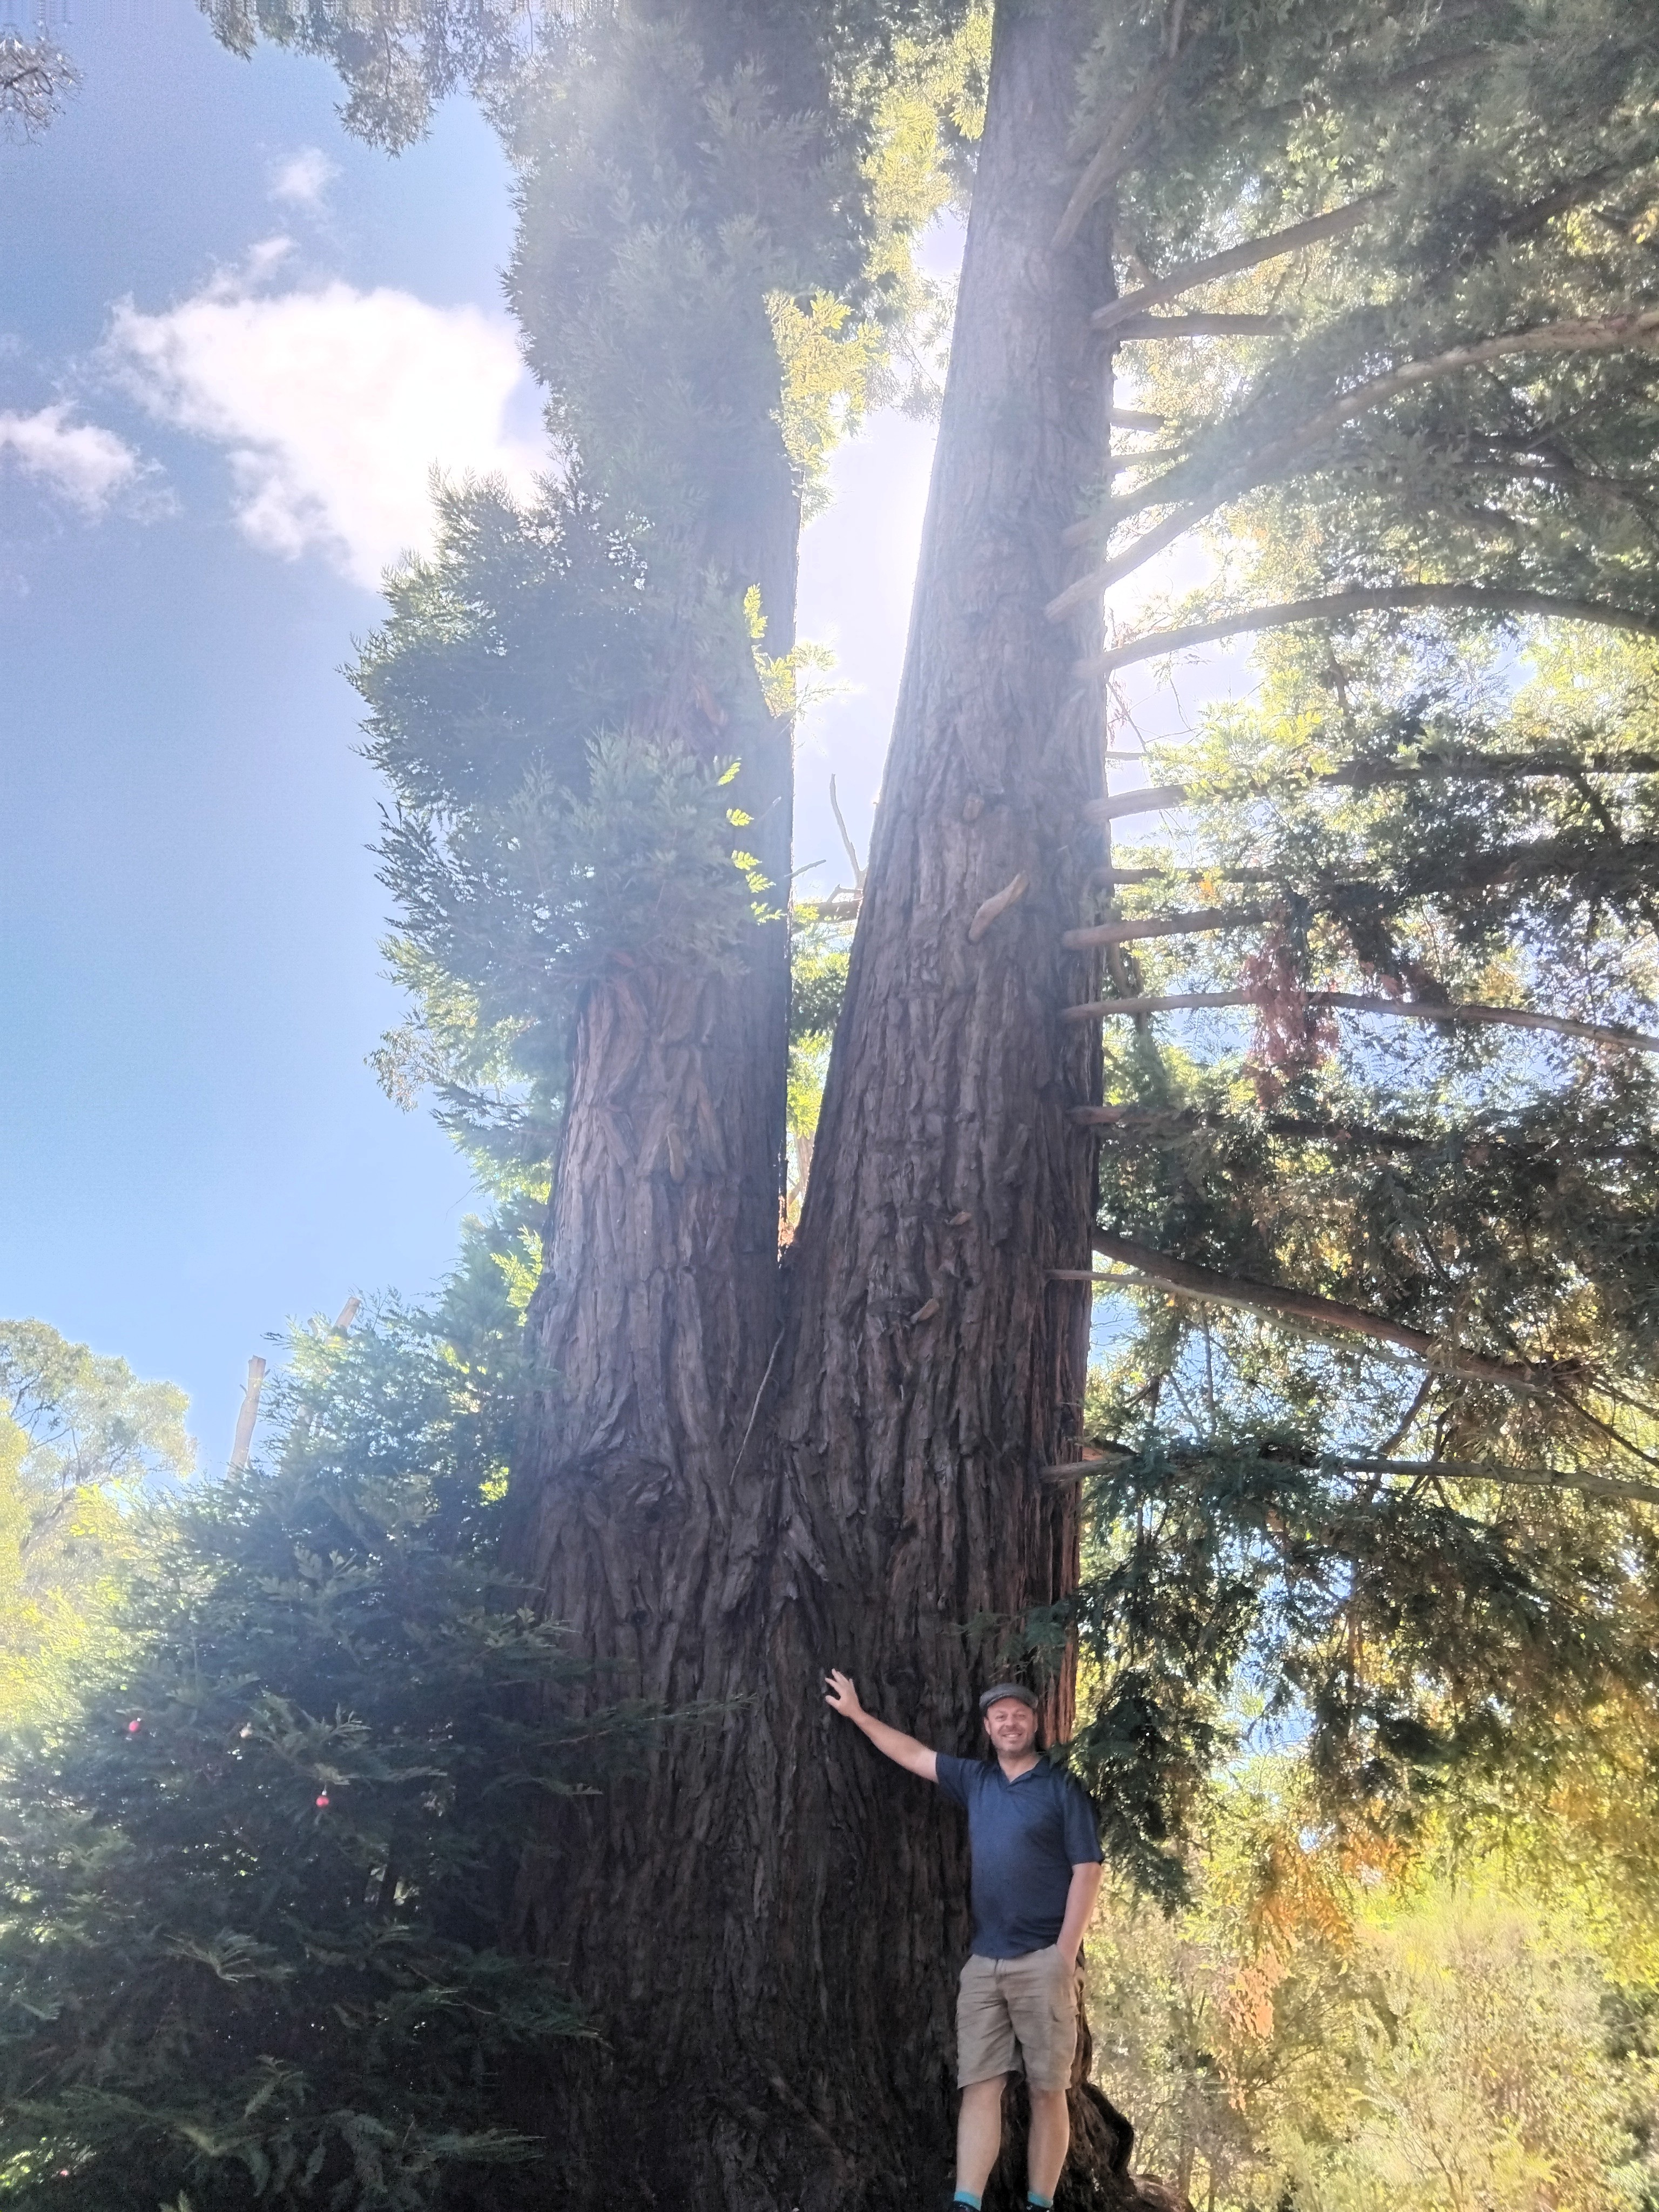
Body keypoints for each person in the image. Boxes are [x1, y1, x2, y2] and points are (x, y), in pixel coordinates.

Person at [825, 1668, 1104, 2211]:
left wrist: (1063, 1955)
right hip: (984, 1963)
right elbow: (914, 1755)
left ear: (1034, 1722)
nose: (1009, 1722)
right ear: (987, 1726)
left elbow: (1088, 1868)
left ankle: (1040, 2203)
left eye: (1019, 1714)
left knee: (1049, 2090)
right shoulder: (977, 1780)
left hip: (1042, 1959)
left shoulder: (1061, 1785)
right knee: (980, 2083)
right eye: (999, 1716)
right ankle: (967, 2202)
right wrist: (857, 1714)